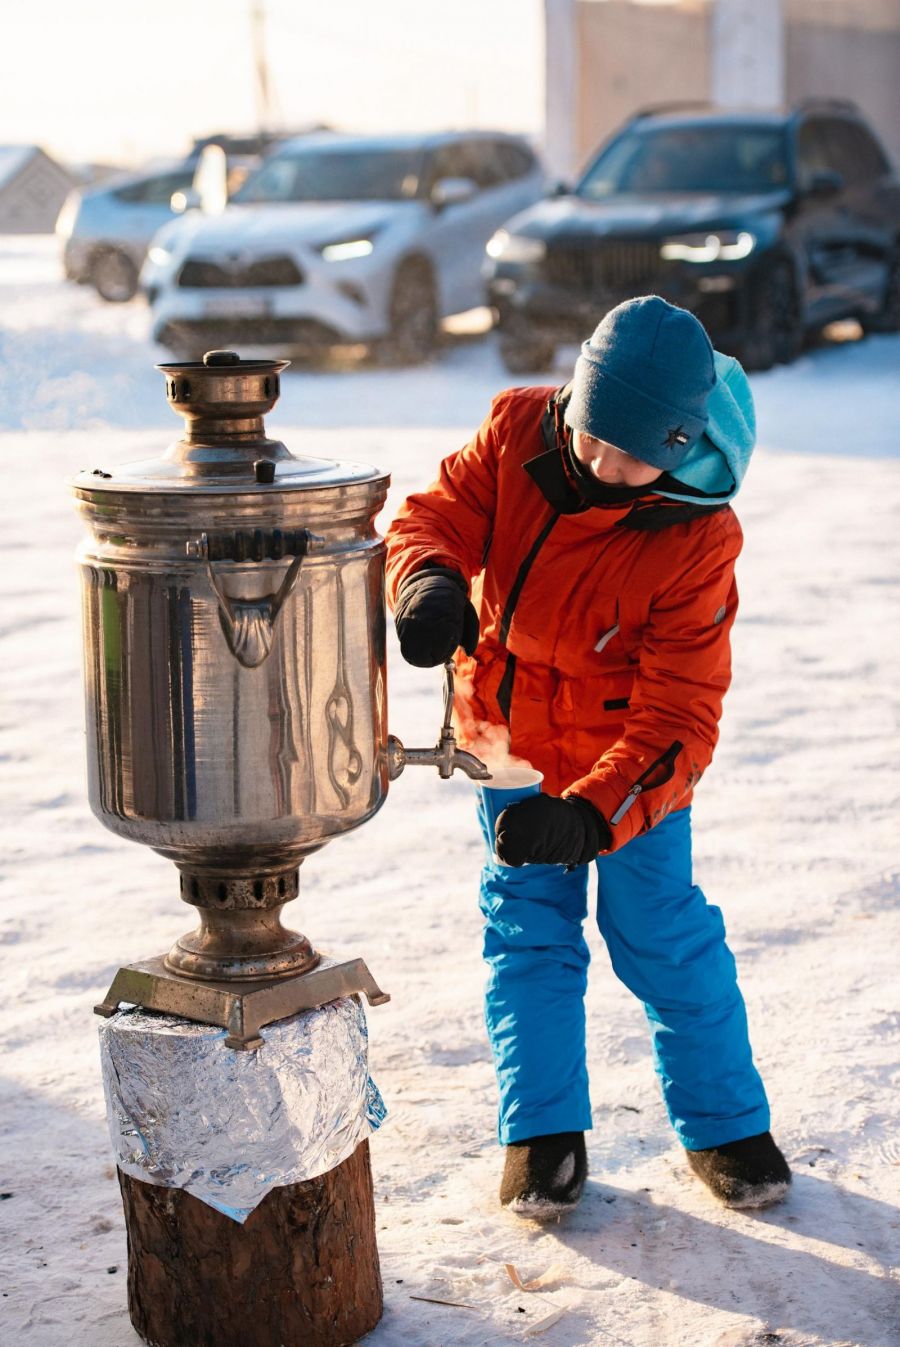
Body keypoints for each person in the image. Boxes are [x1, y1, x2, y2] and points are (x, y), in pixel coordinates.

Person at [385, 296, 791, 1220]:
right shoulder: (514, 429)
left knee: (660, 935)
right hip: (509, 749)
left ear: (682, 441)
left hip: (629, 774)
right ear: (570, 398)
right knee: (526, 932)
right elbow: (434, 515)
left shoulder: (698, 536)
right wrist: (429, 580)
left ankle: (726, 1125)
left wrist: (592, 813)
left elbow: (681, 711)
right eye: (593, 435)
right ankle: (542, 1133)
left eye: (637, 451)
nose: (607, 467)